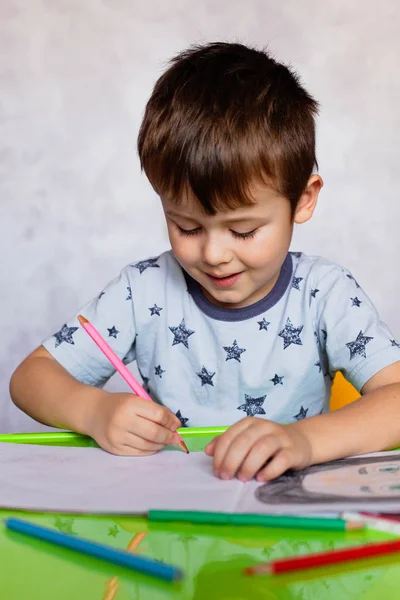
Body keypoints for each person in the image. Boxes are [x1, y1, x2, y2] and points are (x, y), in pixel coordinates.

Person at [10, 42, 400, 483]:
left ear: (303, 200)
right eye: (187, 227)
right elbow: (29, 378)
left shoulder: (324, 293)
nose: (213, 255)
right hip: (170, 523)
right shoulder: (144, 290)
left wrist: (304, 441)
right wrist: (95, 411)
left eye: (243, 230)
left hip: (285, 526)